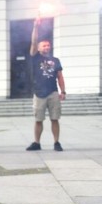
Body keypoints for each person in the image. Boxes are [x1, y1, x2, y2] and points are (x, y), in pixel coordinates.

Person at [26, 16, 66, 151]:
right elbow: (33, 41)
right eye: (44, 45)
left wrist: (63, 91)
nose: (47, 47)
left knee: (55, 119)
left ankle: (57, 142)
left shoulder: (56, 60)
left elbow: (60, 76)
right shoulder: (35, 57)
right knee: (38, 120)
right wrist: (36, 26)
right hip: (39, 93)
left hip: (53, 92)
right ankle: (37, 143)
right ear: (38, 47)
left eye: (48, 45)